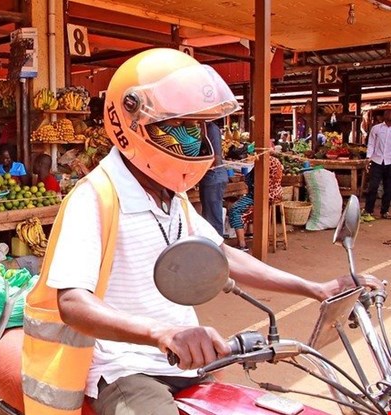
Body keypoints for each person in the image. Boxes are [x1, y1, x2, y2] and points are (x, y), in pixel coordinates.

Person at [21, 49, 380, 415]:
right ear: (131, 121)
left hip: (187, 361)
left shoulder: (172, 196)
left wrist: (314, 288)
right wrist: (161, 333)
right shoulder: (95, 197)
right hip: (126, 368)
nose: (192, 138)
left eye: (196, 126)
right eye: (177, 126)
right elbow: (72, 303)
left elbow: (222, 256)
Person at [227, 155, 283, 251]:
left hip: (261, 196)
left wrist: (246, 178)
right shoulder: (276, 161)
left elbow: (251, 180)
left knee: (234, 209)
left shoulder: (263, 163)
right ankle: (249, 232)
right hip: (275, 194)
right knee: (241, 204)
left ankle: (242, 244)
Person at [197, 121, 228, 235]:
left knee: (213, 218)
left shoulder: (211, 129)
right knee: (209, 215)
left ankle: (216, 248)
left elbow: (216, 159)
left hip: (214, 177)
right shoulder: (204, 128)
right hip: (209, 178)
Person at [362, 109, 391, 221]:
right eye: (387, 115)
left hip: (390, 162)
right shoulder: (376, 129)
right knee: (372, 187)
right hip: (377, 161)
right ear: (384, 117)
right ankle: (368, 210)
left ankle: (384, 211)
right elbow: (371, 144)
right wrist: (368, 158)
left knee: (388, 188)